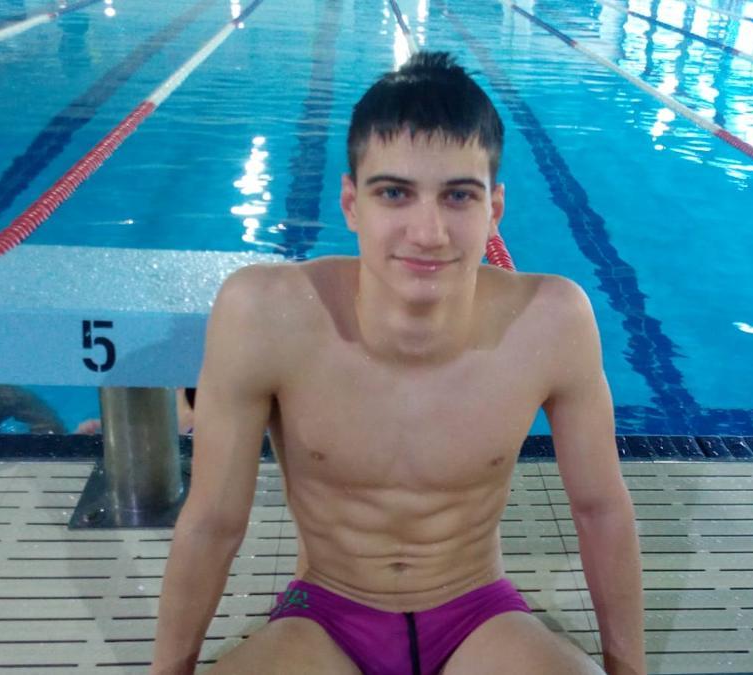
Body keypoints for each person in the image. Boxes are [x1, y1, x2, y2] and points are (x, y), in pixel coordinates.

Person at [151, 52, 645, 675]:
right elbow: (213, 521)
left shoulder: (552, 322)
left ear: (493, 209)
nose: (428, 231)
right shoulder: (266, 314)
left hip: (477, 614)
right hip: (326, 615)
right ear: (353, 203)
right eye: (395, 193)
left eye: (458, 196)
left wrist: (629, 669)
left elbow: (601, 508)